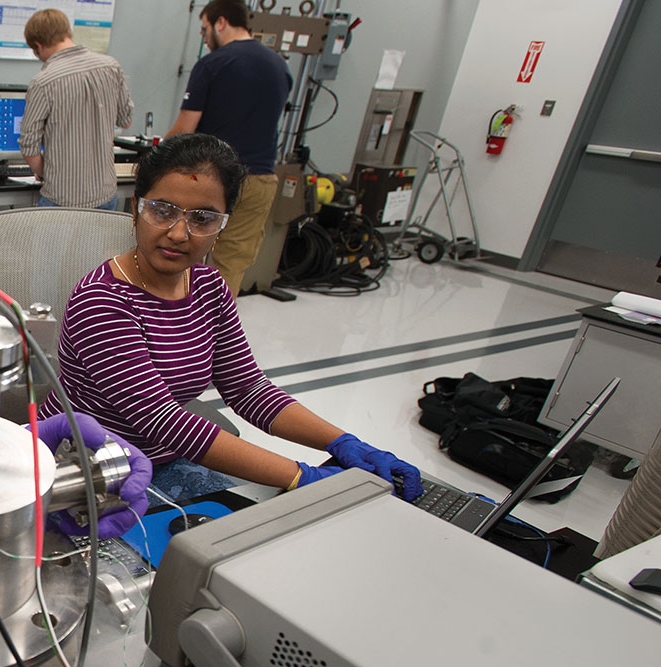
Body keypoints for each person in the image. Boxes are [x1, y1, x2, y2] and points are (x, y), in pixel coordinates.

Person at [37, 133, 422, 502]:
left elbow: (247, 389)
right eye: (162, 210)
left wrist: (342, 441)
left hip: (165, 458)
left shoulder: (207, 286)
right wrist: (301, 476)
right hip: (85, 467)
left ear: (223, 224)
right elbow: (162, 420)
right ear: (137, 207)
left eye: (202, 218)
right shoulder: (103, 300)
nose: (178, 233)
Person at [167, 0, 291, 294]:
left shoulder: (213, 65)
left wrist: (157, 156)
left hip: (213, 179)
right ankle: (216, 334)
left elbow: (185, 129)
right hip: (261, 178)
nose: (205, 37)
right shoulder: (280, 66)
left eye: (205, 28)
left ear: (220, 22)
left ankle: (179, 330)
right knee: (231, 265)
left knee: (184, 253)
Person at [18, 8, 134, 211]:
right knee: (98, 245)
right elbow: (126, 120)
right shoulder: (111, 67)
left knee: (51, 244)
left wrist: (45, 173)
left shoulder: (43, 82)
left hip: (62, 199)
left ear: (38, 46)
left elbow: (29, 148)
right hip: (105, 194)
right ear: (67, 33)